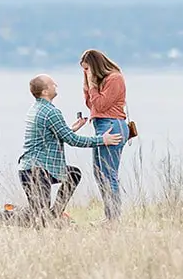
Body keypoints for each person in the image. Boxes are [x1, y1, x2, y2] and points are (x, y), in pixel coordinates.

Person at [18, 74, 121, 225]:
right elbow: (73, 141)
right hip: (37, 171)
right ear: (45, 92)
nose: (56, 85)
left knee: (73, 174)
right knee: (39, 220)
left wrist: (72, 129)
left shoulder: (37, 109)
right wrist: (102, 140)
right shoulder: (50, 112)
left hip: (35, 169)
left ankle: (55, 214)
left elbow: (52, 136)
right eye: (52, 84)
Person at [81, 48, 129, 221]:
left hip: (111, 125)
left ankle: (113, 218)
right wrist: (87, 86)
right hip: (102, 125)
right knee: (99, 173)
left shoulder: (114, 78)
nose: (85, 73)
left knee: (108, 174)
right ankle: (110, 216)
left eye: (87, 69)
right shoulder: (100, 82)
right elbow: (91, 105)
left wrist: (92, 86)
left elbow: (100, 105)